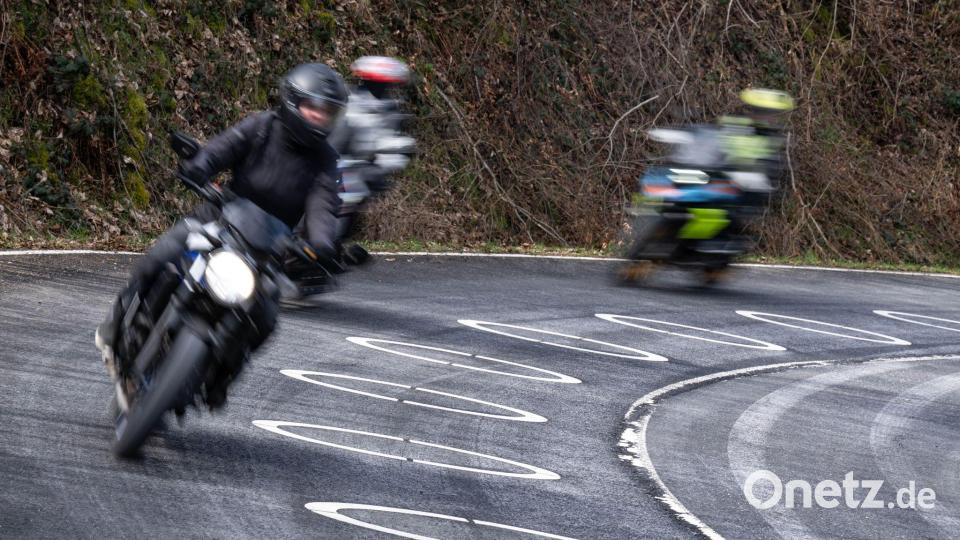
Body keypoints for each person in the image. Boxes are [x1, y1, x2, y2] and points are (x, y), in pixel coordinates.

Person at [95, 63, 348, 385]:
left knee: (266, 316)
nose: (319, 117)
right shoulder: (261, 127)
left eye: (327, 112)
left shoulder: (326, 161)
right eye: (313, 107)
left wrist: (322, 245)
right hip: (219, 218)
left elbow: (324, 205)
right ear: (293, 101)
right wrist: (197, 166)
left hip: (267, 250)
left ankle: (217, 378)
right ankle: (116, 323)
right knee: (164, 254)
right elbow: (220, 149)